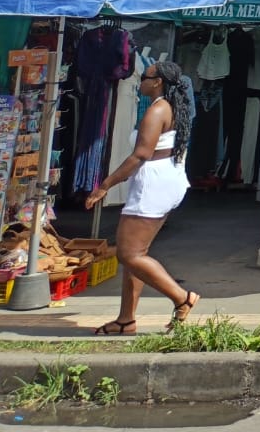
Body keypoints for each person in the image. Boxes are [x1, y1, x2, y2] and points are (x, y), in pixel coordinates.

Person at [84, 61, 198, 335]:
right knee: (136, 254)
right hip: (165, 181)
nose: (141, 81)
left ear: (158, 82)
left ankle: (182, 297)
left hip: (152, 186)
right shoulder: (170, 107)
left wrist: (105, 186)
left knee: (129, 254)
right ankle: (126, 320)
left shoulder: (158, 109)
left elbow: (141, 155)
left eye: (145, 77)